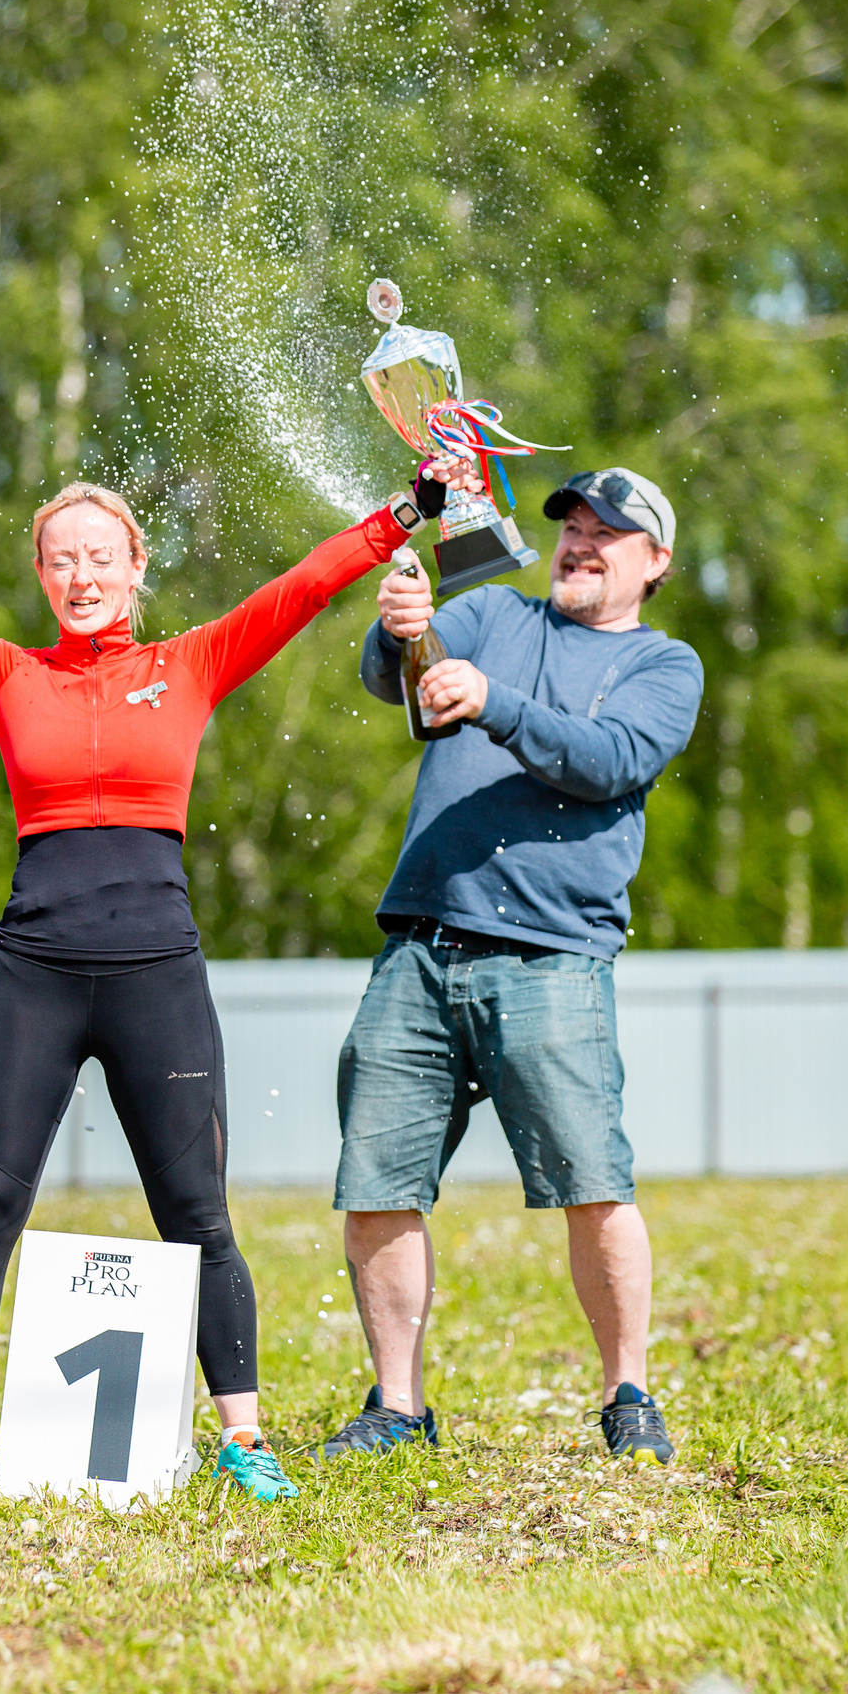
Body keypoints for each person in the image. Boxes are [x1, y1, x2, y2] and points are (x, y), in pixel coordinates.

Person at [0, 457, 469, 1499]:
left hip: (159, 975)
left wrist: (405, 511)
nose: (80, 576)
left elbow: (302, 587)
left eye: (98, 557)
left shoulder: (190, 662)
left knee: (197, 1219)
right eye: (60, 561)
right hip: (35, 973)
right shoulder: (5, 672)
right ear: (39, 574)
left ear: (135, 566)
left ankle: (244, 1441)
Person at [323, 465, 703, 1465]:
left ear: (654, 562)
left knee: (591, 1182)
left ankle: (628, 1395)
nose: (579, 544)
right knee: (377, 1181)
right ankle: (397, 1408)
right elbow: (399, 684)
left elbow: (605, 762)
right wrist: (401, 628)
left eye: (606, 534)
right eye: (571, 527)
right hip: (419, 946)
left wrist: (495, 703)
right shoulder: (490, 609)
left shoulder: (668, 668)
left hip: (553, 959)